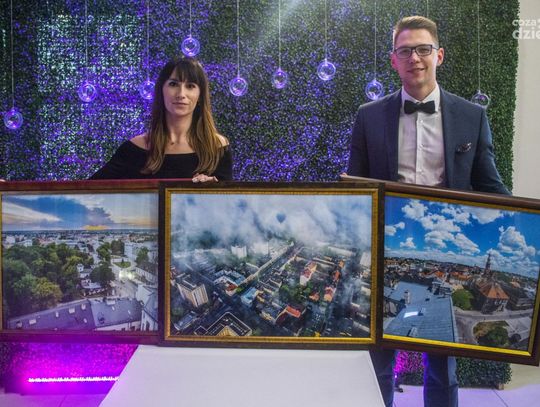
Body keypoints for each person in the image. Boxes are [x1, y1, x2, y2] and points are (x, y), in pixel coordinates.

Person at [347, 16, 509, 407]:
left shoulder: (472, 116)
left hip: (443, 244)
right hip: (381, 251)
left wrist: (525, 222)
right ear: (393, 60)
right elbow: (355, 188)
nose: (414, 58)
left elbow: (491, 186)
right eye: (405, 51)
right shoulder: (368, 115)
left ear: (439, 55)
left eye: (423, 49)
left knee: (442, 369)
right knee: (377, 362)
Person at [90, 56, 232, 182]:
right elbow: (87, 191)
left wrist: (214, 191)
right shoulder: (134, 149)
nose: (181, 94)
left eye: (190, 86)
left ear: (200, 95)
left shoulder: (218, 147)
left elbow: (230, 201)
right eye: (173, 84)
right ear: (161, 90)